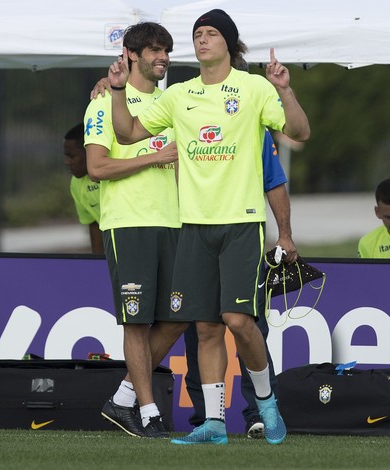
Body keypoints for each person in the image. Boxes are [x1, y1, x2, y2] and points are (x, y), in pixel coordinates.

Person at [106, 8, 310, 445]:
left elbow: (299, 130)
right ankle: (214, 425)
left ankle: (267, 403)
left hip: (240, 223)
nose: (201, 40)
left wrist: (285, 91)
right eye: (197, 33)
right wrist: (119, 90)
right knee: (205, 328)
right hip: (194, 228)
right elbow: (126, 135)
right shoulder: (179, 95)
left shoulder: (254, 88)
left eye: (211, 33)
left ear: (229, 43)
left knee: (238, 320)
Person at [84, 22, 186, 439]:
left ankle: (123, 398)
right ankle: (147, 413)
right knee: (136, 324)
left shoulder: (172, 103)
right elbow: (97, 167)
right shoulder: (102, 102)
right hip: (129, 224)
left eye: (166, 50)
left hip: (174, 224)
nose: (162, 57)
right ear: (131, 54)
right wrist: (152, 157)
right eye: (154, 50)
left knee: (182, 315)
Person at [184, 129, 294, 439]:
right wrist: (113, 90)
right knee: (201, 329)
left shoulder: (251, 119)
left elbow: (275, 177)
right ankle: (209, 420)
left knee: (245, 326)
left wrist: (285, 233)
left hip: (242, 235)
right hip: (195, 235)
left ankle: (261, 409)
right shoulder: (186, 109)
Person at [63, 123, 102, 254]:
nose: (67, 162)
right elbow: (94, 224)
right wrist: (98, 264)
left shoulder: (117, 173)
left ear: (89, 152)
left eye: (72, 156)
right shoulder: (76, 184)